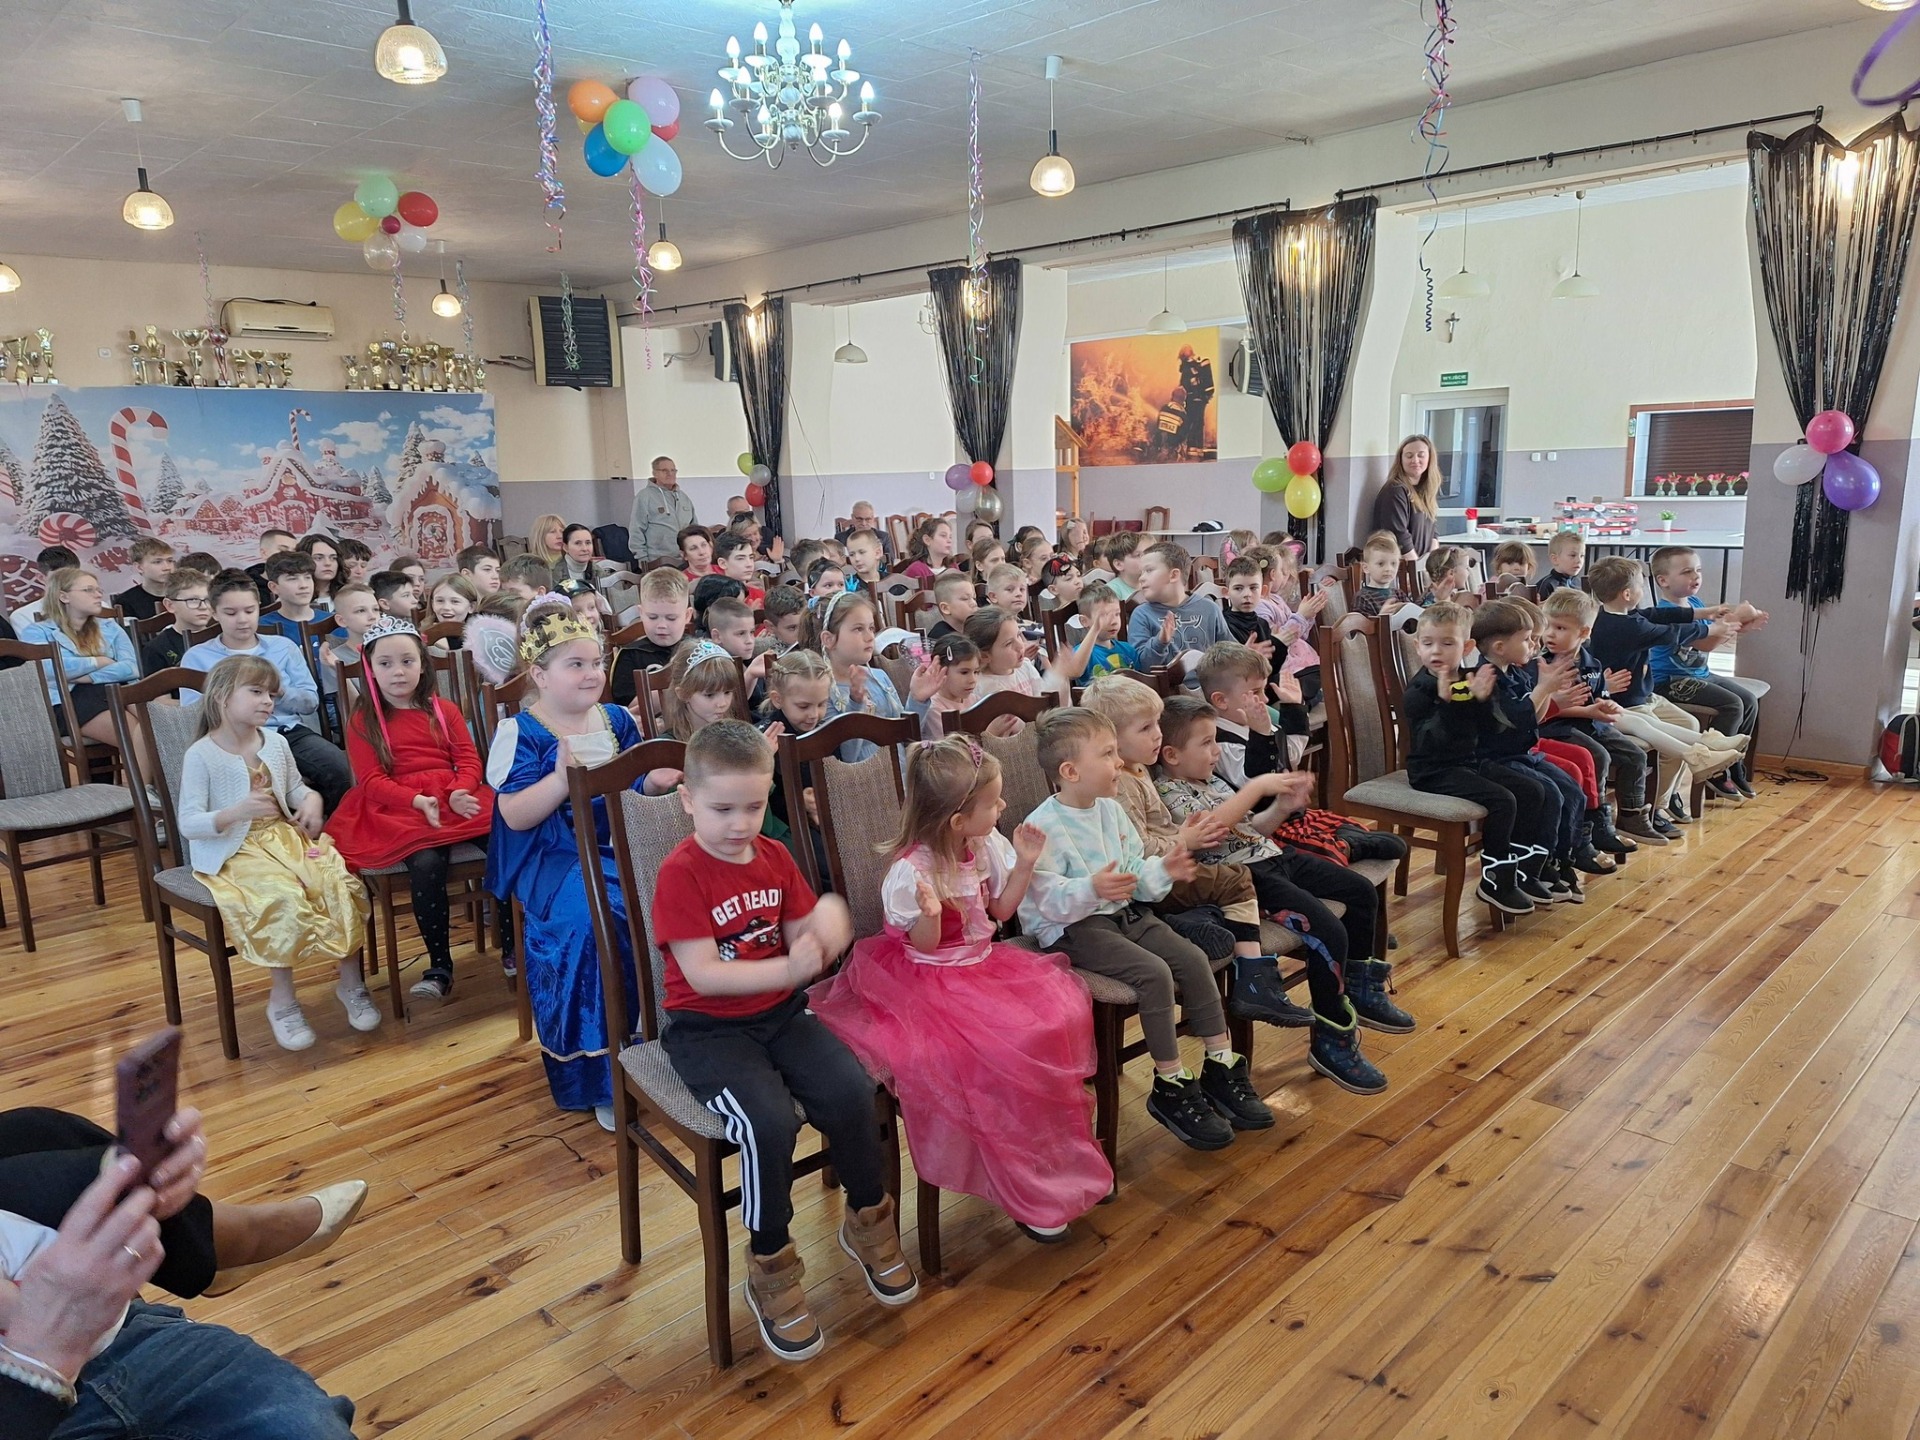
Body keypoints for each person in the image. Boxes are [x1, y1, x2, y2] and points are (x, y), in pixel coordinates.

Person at [651, 720, 916, 1362]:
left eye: (752, 806)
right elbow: (703, 975)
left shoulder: (773, 855)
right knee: (767, 1123)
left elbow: (805, 932)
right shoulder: (682, 872)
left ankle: (869, 1219)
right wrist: (793, 967)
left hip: (782, 1015)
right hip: (706, 1031)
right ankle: (771, 1263)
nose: (739, 824)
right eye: (722, 809)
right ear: (687, 800)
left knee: (851, 1091)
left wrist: (827, 925)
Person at [810, 735, 1112, 1244]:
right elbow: (924, 944)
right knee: (1000, 1051)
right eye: (993, 802)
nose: (1003, 806)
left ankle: (1055, 1162)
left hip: (986, 968)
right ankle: (1018, 1177)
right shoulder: (911, 873)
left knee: (1052, 1022)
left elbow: (1001, 911)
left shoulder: (984, 845)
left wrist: (1024, 863)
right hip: (929, 982)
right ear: (957, 820)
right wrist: (930, 914)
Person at [0, 1116, 363, 1440]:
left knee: (35, 1130)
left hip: (112, 1333)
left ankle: (214, 1244)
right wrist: (36, 1361)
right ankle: (226, 1246)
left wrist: (136, 1175)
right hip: (33, 1381)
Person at [1020, 707, 1270, 1150]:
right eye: (1107, 754)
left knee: (1192, 959)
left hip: (1125, 913)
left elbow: (1137, 873)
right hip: (1075, 927)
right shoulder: (1043, 826)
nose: (1119, 762)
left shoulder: (1111, 811)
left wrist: (1163, 870)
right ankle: (1171, 1083)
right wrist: (1090, 887)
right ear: (1071, 771)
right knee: (1153, 974)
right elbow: (1046, 900)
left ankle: (1220, 1062)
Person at [486, 597, 675, 1128]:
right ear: (539, 675)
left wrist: (652, 780)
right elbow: (516, 816)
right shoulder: (522, 731)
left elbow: (632, 786)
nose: (592, 674)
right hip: (554, 853)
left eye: (596, 662)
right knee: (594, 922)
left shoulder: (615, 719)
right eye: (576, 664)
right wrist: (559, 778)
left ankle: (666, 1044)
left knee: (678, 898)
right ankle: (600, 1075)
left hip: (621, 840)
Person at [1153, 694, 1399, 1093]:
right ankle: (1332, 1038)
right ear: (1172, 755)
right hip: (1246, 878)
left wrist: (1282, 807)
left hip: (1274, 856)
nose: (1217, 751)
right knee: (1329, 932)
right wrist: (1257, 787)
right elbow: (1213, 829)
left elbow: (1253, 828)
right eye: (1207, 743)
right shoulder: (1167, 792)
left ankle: (1360, 989)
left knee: (1359, 891)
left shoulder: (1212, 780)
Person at [1081, 674, 1309, 1029]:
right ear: (1111, 739)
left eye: (1157, 724)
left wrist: (1183, 834)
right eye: (1146, 728)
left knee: (1222, 882)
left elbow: (1157, 832)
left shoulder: (1137, 769)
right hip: (1146, 881)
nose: (1158, 735)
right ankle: (1253, 978)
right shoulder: (1121, 783)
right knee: (1235, 878)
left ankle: (1192, 923)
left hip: (1166, 869)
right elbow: (1137, 848)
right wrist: (1184, 839)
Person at [177, 654, 374, 1050]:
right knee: (281, 896)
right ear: (222, 697)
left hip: (283, 839)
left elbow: (294, 788)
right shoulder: (202, 754)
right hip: (235, 850)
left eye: (271, 694)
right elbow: (188, 822)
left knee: (338, 882)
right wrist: (234, 813)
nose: (268, 701)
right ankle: (283, 1002)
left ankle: (351, 984)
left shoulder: (277, 742)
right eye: (256, 692)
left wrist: (312, 800)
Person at [326, 616, 493, 1002]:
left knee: (506, 841)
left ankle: (511, 944)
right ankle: (439, 966)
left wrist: (459, 790)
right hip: (397, 805)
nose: (398, 671)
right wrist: (415, 800)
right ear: (370, 668)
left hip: (452, 795)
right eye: (385, 664)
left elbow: (468, 760)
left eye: (407, 661)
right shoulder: (363, 720)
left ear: (422, 664)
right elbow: (371, 780)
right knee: (426, 862)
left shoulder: (444, 710)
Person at [1586, 556, 1750, 829]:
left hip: (1646, 696)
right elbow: (1671, 632)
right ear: (1627, 594)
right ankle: (1658, 805)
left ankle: (1706, 748)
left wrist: (1705, 613)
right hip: (1628, 702)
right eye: (1641, 585)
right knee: (1663, 738)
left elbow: (1659, 615)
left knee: (1689, 722)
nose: (1643, 590)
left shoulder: (1623, 615)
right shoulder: (1626, 627)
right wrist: (1714, 628)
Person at [1402, 604, 1536, 915]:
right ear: (1417, 646)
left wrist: (1483, 699)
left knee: (1531, 790)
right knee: (1503, 800)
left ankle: (1524, 870)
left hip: (1469, 763)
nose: (1436, 651)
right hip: (1433, 771)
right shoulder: (1420, 690)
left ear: (1467, 647)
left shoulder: (1470, 679)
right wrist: (1449, 703)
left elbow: (1493, 729)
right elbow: (1433, 740)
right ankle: (1495, 878)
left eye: (1447, 643)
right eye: (1428, 643)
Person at [1471, 599, 1590, 903]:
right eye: (1527, 639)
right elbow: (1515, 719)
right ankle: (1528, 869)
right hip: (1493, 759)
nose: (1535, 645)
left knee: (1572, 791)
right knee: (1547, 793)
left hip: (1520, 754)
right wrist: (1544, 689)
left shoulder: (1516, 672)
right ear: (1500, 647)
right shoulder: (1486, 678)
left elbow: (1533, 719)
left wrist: (1546, 690)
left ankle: (1556, 862)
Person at [1648, 545, 1767, 801]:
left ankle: (1733, 763)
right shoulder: (1668, 614)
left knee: (1748, 700)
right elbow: (1707, 643)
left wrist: (1741, 626)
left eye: (1698, 570)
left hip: (1699, 674)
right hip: (1670, 681)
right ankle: (1715, 768)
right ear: (1663, 580)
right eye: (1686, 572)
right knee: (1732, 704)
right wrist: (1736, 618)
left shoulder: (1696, 604)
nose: (1696, 576)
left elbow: (1717, 635)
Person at [1537, 588, 1646, 854]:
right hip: (1557, 728)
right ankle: (1594, 825)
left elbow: (1600, 695)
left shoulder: (1591, 664)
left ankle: (1631, 816)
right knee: (1598, 756)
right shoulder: (1541, 664)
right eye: (1547, 626)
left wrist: (1606, 705)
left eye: (1560, 628)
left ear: (1583, 633)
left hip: (1592, 724)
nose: (1550, 634)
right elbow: (1544, 710)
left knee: (1635, 755)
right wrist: (1588, 711)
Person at [22, 568, 140, 756]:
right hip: (68, 702)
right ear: (64, 596)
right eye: (88, 590)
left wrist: (88, 677)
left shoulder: (110, 627)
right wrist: (99, 661)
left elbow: (131, 668)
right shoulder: (37, 632)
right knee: (139, 739)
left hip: (112, 691)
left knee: (153, 730)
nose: (98, 595)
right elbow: (48, 670)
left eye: (99, 590)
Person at [812, 591, 936, 760]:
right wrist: (855, 704)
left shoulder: (879, 677)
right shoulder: (822, 692)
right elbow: (848, 757)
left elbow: (904, 738)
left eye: (871, 628)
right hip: (865, 777)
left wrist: (917, 699)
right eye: (858, 629)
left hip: (901, 772)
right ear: (828, 639)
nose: (870, 637)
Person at [1126, 542, 1233, 674]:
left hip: (1210, 684)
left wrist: (1245, 653)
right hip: (1165, 686)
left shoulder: (1209, 608)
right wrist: (1160, 642)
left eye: (1148, 570)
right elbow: (1141, 667)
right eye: (1141, 572)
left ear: (1174, 575)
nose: (1141, 578)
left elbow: (1229, 653)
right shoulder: (1141, 615)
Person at [611, 567, 689, 704]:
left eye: (671, 618)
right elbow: (626, 707)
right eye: (653, 617)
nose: (662, 625)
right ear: (641, 613)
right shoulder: (630, 655)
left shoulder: (699, 650)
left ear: (687, 616)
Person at [316, 582, 378, 735]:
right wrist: (338, 669)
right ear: (342, 621)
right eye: (361, 610)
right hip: (365, 728)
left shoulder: (392, 649)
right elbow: (351, 711)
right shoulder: (334, 657)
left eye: (376, 609)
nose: (372, 616)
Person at [1369, 434, 1441, 561]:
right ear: (1401, 460)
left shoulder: (1426, 490)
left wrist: (1432, 563)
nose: (1415, 460)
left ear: (1430, 458)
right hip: (1400, 566)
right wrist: (1418, 568)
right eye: (1409, 456)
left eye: (1421, 455)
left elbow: (1433, 530)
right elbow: (1399, 536)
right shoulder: (1395, 490)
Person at [662, 638, 750, 741]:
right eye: (710, 695)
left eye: (727, 692)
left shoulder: (736, 738)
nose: (722, 704)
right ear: (683, 694)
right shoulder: (668, 746)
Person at [1058, 581, 1140, 682]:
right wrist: (1095, 629)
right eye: (1104, 615)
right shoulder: (1081, 653)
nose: (1114, 622)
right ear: (1084, 621)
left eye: (1117, 614)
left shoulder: (1128, 649)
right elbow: (1074, 673)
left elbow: (1141, 681)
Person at [629, 456, 698, 565]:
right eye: (664, 470)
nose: (670, 474)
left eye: (673, 470)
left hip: (686, 559)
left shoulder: (684, 497)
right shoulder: (644, 497)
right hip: (657, 561)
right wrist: (643, 560)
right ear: (655, 473)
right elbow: (636, 530)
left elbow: (695, 528)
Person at [141, 569, 210, 675]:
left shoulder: (223, 638)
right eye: (193, 600)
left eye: (208, 600)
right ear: (170, 605)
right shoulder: (156, 649)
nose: (204, 607)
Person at [919, 633, 983, 739]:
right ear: (941, 670)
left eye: (976, 672)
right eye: (964, 672)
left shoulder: (975, 700)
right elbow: (952, 746)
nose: (972, 680)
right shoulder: (934, 709)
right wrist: (989, 733)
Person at [4, 547, 79, 629]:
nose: (68, 581)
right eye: (58, 576)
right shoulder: (23, 616)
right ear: (41, 578)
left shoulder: (87, 607)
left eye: (74, 575)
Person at [258, 551, 319, 647]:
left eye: (307, 577)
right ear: (274, 587)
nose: (304, 585)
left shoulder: (333, 622)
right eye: (293, 579)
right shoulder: (262, 626)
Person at [110, 538, 175, 622]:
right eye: (157, 562)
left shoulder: (185, 594)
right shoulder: (126, 601)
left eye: (170, 561)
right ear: (139, 567)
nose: (167, 567)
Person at [1353, 531, 1413, 618]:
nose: (1388, 569)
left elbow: (1413, 617)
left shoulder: (1399, 594)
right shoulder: (1362, 598)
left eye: (1393, 563)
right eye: (1381, 564)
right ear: (1366, 568)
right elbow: (1358, 626)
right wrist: (1381, 616)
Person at [1176, 344, 1215, 455]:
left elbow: (1206, 381)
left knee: (1194, 422)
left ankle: (1194, 448)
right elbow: (1184, 385)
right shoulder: (1188, 368)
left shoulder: (1196, 365)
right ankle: (1194, 447)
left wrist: (1205, 395)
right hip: (1195, 399)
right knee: (1195, 422)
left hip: (1196, 398)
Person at [713, 533, 766, 608]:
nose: (749, 564)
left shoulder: (759, 595)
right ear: (723, 563)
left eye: (751, 557)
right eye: (740, 558)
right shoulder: (714, 598)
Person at [245, 528, 296, 603]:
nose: (290, 556)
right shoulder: (243, 587)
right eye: (283, 550)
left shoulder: (301, 584)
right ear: (264, 553)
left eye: (294, 552)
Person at [900, 518, 956, 582]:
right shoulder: (916, 569)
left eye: (950, 537)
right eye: (943, 536)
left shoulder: (953, 566)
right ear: (927, 540)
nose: (949, 540)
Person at [296, 534, 344, 608]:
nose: (328, 563)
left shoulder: (350, 594)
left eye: (333, 558)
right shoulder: (292, 598)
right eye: (319, 558)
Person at [1534, 531, 1586, 600]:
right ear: (1555, 559)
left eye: (1582, 556)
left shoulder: (1578, 582)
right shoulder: (1547, 585)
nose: (1579, 560)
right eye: (1572, 555)